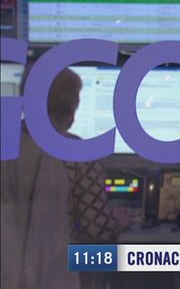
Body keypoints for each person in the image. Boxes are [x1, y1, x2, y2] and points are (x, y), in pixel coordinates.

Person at [1, 68, 130, 289]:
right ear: (71, 109)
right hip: (52, 275)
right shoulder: (78, 155)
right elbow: (96, 230)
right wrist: (119, 221)